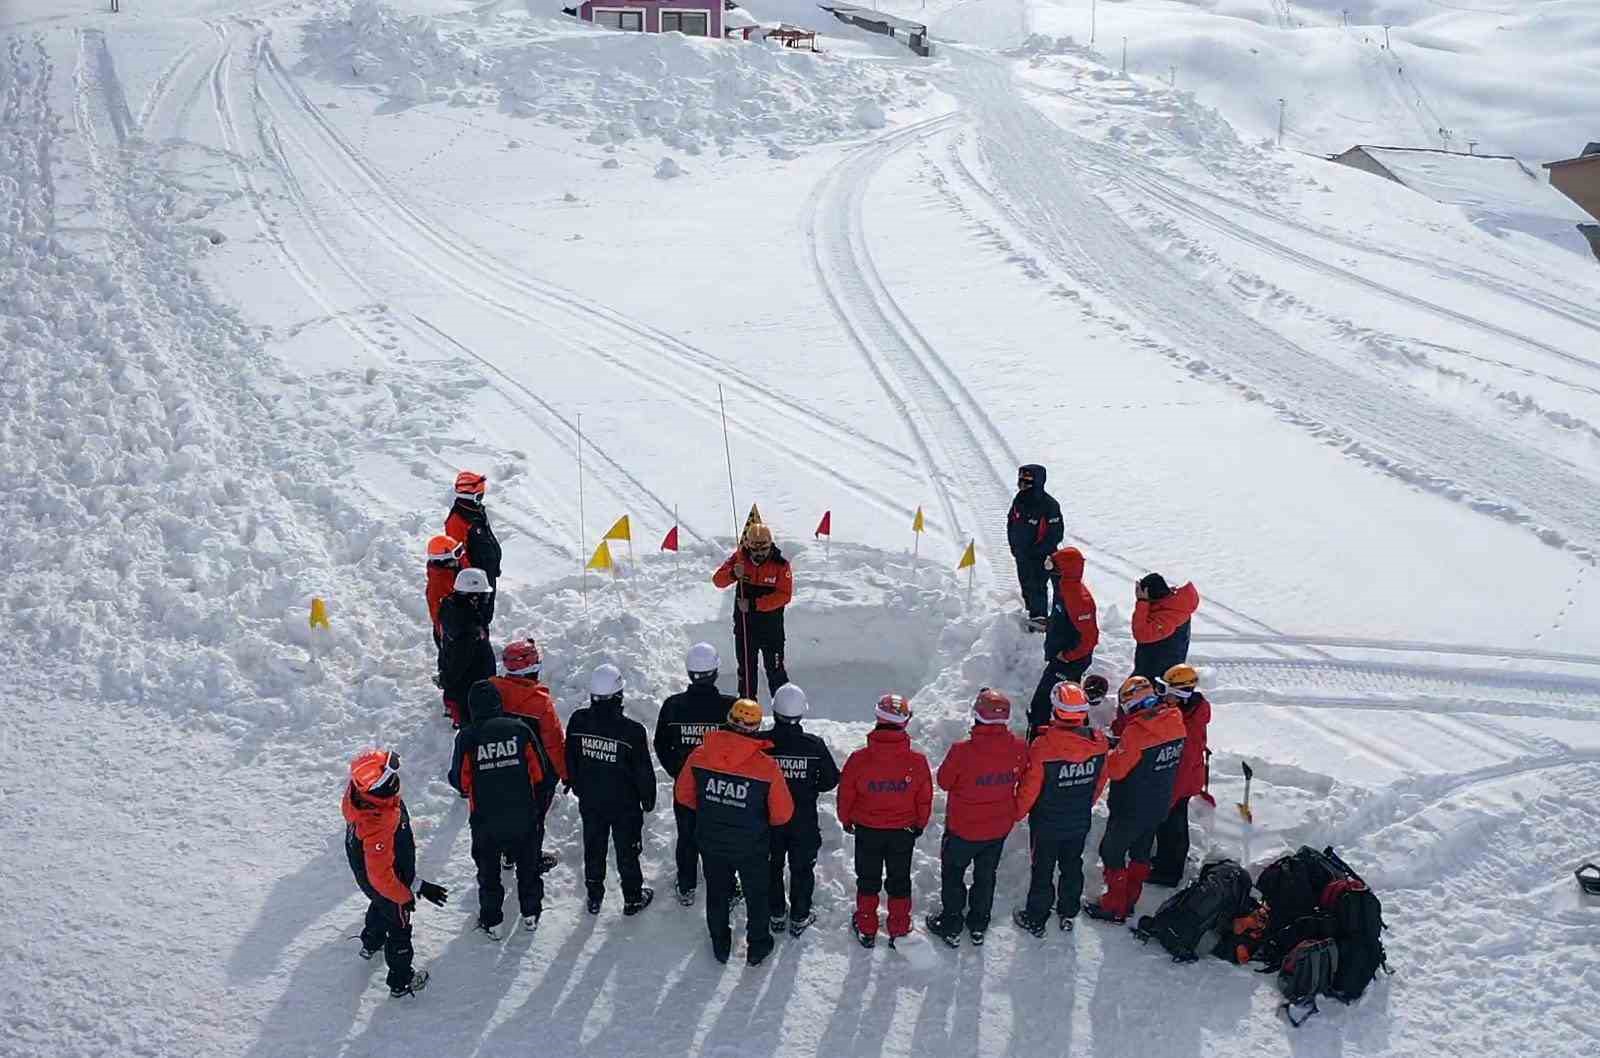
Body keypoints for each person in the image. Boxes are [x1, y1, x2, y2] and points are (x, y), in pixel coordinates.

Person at [675, 698, 795, 965]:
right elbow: (783, 813)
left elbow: (684, 796)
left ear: (729, 720)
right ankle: (758, 946)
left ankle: (720, 943)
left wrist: (712, 808)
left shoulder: (700, 754)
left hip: (711, 840)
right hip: (751, 844)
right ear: (755, 728)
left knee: (717, 892)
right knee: (756, 894)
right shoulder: (766, 766)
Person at [448, 681, 552, 938]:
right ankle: (530, 914)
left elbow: (460, 782)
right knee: (528, 866)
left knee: (488, 871)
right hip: (523, 813)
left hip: (485, 817)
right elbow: (539, 773)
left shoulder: (467, 737)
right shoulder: (520, 729)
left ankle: (492, 921)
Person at [926, 689, 1029, 947]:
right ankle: (978, 923)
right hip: (997, 828)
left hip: (963, 828)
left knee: (954, 873)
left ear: (977, 716)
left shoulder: (962, 751)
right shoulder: (1019, 747)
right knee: (986, 875)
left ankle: (951, 923)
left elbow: (944, 781)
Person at [343, 749, 449, 997]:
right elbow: (382, 878)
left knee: (380, 905)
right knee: (399, 925)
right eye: (393, 777)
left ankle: (370, 942)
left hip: (375, 880)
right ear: (383, 787)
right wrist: (406, 895)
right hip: (387, 884)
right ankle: (400, 981)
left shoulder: (364, 797)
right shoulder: (377, 824)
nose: (398, 780)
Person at [1084, 676, 1187, 924]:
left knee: (1111, 851)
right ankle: (1130, 899)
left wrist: (1109, 752)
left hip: (1131, 805)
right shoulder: (1175, 721)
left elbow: (1117, 769)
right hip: (1159, 803)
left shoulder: (1136, 733)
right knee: (1140, 851)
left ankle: (1114, 905)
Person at [1012, 682, 1110, 935]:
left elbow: (1030, 788)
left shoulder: (1043, 747)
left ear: (1055, 710)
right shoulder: (1099, 743)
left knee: (1042, 868)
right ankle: (1068, 912)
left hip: (1046, 823)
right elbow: (1100, 780)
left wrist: (1015, 813)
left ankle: (1036, 916)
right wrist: (1084, 802)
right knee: (1072, 864)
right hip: (1078, 818)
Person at [838, 694, 933, 948]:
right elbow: (924, 798)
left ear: (878, 718)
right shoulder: (917, 762)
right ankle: (899, 927)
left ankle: (867, 925)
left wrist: (846, 819)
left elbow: (846, 793)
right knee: (899, 879)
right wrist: (920, 823)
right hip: (903, 831)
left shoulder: (859, 760)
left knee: (867, 878)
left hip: (867, 831)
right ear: (904, 723)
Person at [565, 664, 657, 916]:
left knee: (593, 845)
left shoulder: (578, 720)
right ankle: (632, 897)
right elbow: (642, 772)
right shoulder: (632, 732)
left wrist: (577, 785)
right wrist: (648, 800)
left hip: (591, 799)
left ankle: (594, 897)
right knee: (627, 850)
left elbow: (570, 758)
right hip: (624, 805)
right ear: (619, 695)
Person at [653, 643, 738, 906]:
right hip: (721, 789)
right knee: (723, 837)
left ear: (690, 673)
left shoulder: (672, 706)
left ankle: (687, 884)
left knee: (687, 836)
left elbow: (660, 744)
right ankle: (726, 885)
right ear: (715, 672)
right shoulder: (731, 707)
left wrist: (678, 772)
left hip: (686, 787)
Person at [764, 684, 840, 938]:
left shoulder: (762, 744)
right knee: (802, 868)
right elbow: (831, 779)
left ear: (774, 711)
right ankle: (799, 915)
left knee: (771, 866)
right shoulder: (814, 746)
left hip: (769, 818)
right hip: (803, 819)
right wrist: (808, 788)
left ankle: (775, 914)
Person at [490, 638, 566, 873]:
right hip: (535, 775)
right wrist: (566, 773)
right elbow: (554, 744)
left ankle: (508, 854)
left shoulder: (492, 691)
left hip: (500, 767)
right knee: (534, 821)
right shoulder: (540, 703)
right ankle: (531, 859)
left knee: (506, 812)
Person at [712, 522, 793, 700]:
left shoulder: (781, 565)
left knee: (776, 671)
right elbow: (717, 580)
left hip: (772, 630)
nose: (759, 553)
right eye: (754, 549)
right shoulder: (739, 558)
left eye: (763, 548)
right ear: (747, 545)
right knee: (746, 674)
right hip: (745, 628)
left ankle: (785, 713)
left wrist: (755, 605)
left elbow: (785, 595)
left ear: (770, 544)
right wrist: (733, 573)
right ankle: (747, 712)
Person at [1149, 664, 1213, 887]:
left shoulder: (1188, 728)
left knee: (1172, 825)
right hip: (1179, 780)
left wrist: (1168, 798)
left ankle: (1168, 872)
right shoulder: (1187, 712)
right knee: (1171, 825)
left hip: (1180, 783)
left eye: (1167, 692)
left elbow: (1183, 768)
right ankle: (1166, 861)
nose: (1163, 696)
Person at [1026, 547, 1099, 735]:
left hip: (1068, 662)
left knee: (1042, 702)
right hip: (1065, 658)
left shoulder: (1078, 598)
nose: (1049, 568)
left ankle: (1037, 737)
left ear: (1063, 569)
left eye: (1053, 565)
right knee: (1072, 701)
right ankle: (1078, 735)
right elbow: (1066, 620)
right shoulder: (1064, 587)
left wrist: (1068, 655)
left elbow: (1090, 637)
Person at [1007, 464, 1064, 631]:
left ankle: (1040, 620)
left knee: (1038, 586)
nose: (1022, 484)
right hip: (1021, 554)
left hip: (1041, 557)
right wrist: (1014, 545)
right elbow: (1011, 521)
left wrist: (1037, 551)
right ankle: (1033, 613)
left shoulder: (1050, 505)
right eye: (1021, 480)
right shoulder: (1019, 499)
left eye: (1027, 480)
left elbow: (1056, 534)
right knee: (1026, 584)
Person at [437, 567, 496, 727]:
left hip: (465, 690)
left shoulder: (453, 612)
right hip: (471, 695)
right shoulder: (467, 628)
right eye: (483, 595)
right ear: (472, 596)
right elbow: (459, 662)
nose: (486, 599)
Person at [444, 470, 503, 624]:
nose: (482, 498)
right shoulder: (457, 520)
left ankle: (483, 641)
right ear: (470, 495)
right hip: (476, 580)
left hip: (487, 572)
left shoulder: (476, 511)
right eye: (480, 494)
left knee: (486, 613)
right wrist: (474, 582)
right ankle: (477, 644)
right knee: (477, 616)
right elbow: (459, 553)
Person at [1131, 573, 1201, 680]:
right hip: (1163, 669)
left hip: (1157, 673)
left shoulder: (1169, 616)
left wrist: (1142, 603)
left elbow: (1141, 634)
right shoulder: (1172, 603)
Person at [424, 535, 463, 649]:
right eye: (457, 553)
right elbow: (441, 618)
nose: (459, 558)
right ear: (444, 559)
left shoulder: (450, 572)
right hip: (452, 637)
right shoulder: (439, 585)